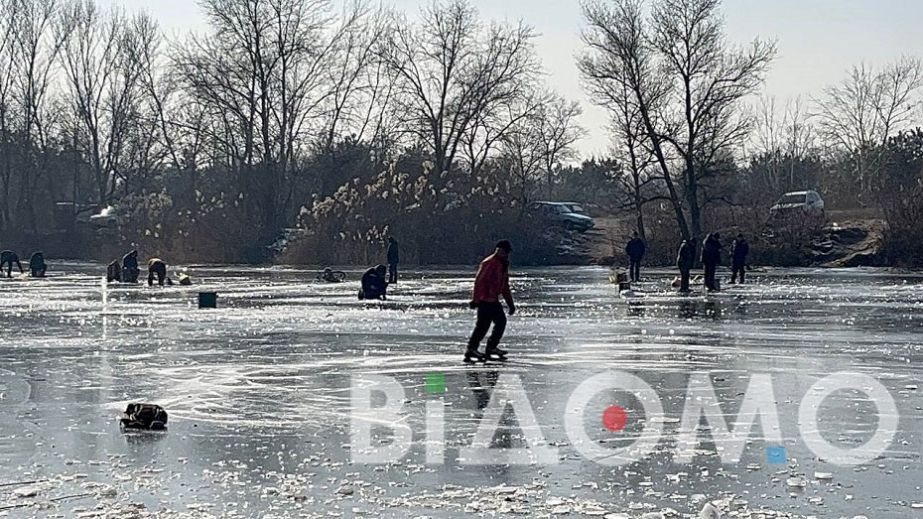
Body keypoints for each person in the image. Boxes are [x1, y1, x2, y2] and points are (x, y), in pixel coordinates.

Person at [466, 240, 516, 363]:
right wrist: (476, 299)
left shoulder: (502, 264)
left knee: (500, 322)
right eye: (504, 251)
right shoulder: (489, 263)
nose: (506, 254)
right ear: (499, 250)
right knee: (482, 326)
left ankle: (491, 347)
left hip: (493, 300)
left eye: (507, 252)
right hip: (485, 300)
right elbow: (479, 281)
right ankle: (471, 349)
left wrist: (510, 304)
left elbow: (505, 286)